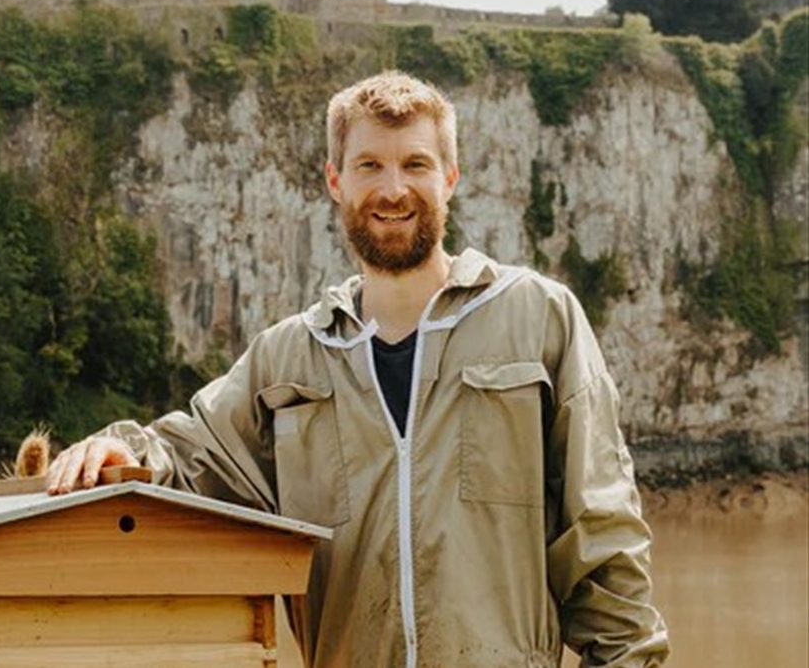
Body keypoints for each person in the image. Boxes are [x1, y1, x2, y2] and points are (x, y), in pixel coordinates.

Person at [47, 71, 670, 668]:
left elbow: (604, 539)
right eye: (370, 165)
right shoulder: (288, 357)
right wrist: (117, 446)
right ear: (335, 181)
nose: (393, 189)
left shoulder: (539, 318)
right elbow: (190, 457)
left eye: (416, 164)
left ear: (450, 177)